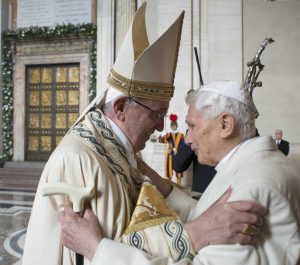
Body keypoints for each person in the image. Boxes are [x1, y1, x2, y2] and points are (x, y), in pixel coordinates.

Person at [21, 5, 265, 265]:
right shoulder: (80, 158)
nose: (161, 127)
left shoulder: (120, 151)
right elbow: (95, 251)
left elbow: (123, 239)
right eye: (155, 115)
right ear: (121, 107)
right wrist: (194, 234)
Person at [59, 80, 300, 265]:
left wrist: (96, 249)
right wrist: (162, 186)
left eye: (192, 125)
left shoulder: (252, 188)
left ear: (225, 124)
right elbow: (208, 214)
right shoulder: (265, 164)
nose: (188, 137)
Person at [159, 114, 185, 184]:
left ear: (176, 126)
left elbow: (183, 144)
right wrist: (162, 135)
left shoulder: (181, 135)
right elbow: (162, 141)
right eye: (172, 126)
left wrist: (178, 150)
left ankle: (179, 185)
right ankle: (169, 184)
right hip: (170, 154)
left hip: (178, 153)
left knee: (179, 171)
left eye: (175, 126)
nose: (173, 127)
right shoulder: (168, 134)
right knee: (169, 171)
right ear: (171, 126)